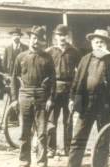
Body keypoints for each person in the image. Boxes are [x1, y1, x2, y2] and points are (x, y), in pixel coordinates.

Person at [58, 29, 110, 167]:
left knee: (103, 140)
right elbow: (77, 81)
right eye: (96, 42)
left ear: (107, 44)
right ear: (92, 43)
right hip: (86, 103)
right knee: (78, 138)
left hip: (105, 105)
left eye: (102, 42)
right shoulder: (85, 59)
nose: (99, 45)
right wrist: (72, 98)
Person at [11, 26, 56, 167]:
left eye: (38, 39)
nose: (35, 41)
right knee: (25, 131)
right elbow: (14, 79)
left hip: (41, 96)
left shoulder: (47, 58)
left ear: (43, 42)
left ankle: (42, 161)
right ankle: (24, 161)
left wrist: (50, 98)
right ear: (29, 38)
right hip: (24, 94)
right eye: (33, 38)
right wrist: (14, 98)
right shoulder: (21, 56)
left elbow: (53, 80)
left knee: (42, 131)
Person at [46, 24, 81, 158]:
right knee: (51, 120)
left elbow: (80, 71)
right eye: (59, 35)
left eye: (64, 35)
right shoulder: (49, 51)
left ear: (68, 36)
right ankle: (51, 148)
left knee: (68, 120)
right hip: (53, 89)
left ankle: (67, 148)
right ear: (55, 36)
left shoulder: (74, 52)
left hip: (69, 89)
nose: (62, 38)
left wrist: (75, 92)